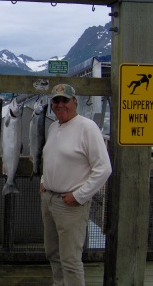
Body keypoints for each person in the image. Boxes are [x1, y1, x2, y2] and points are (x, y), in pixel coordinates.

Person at [39, 83, 112, 286]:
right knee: (52, 252)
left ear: (75, 102)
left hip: (70, 204)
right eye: (56, 101)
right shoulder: (54, 127)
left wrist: (79, 196)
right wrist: (44, 181)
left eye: (65, 100)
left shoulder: (87, 128)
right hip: (49, 199)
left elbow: (104, 168)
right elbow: (51, 158)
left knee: (70, 259)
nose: (60, 104)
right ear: (51, 104)